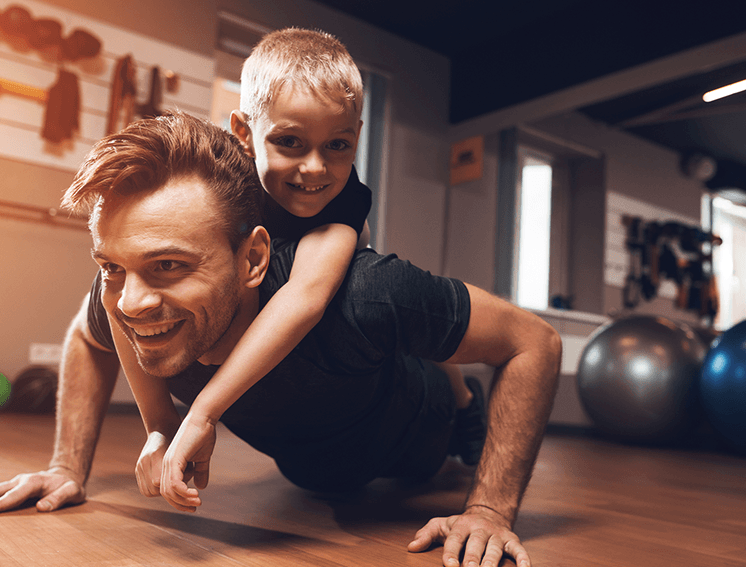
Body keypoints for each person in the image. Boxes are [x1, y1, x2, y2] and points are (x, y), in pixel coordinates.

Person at [0, 112, 562, 567]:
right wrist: (67, 466)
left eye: (169, 266)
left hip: (416, 439)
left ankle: (465, 408)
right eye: (112, 267)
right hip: (313, 472)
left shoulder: (364, 293)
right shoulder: (125, 298)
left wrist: (488, 510)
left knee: (439, 413)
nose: (131, 302)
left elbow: (534, 341)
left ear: (253, 258)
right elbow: (87, 334)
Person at [124, 26, 485, 508]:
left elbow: (304, 297)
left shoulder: (343, 206)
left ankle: (465, 404)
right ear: (243, 134)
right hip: (281, 276)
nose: (315, 168)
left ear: (357, 136)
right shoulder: (226, 181)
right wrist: (160, 425)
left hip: (331, 276)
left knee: (416, 324)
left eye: (337, 146)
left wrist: (203, 412)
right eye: (291, 142)